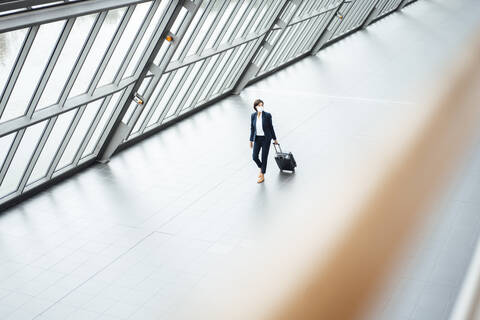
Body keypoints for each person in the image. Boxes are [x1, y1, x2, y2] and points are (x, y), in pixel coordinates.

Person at [249, 99, 278, 183]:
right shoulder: (253, 116)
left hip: (266, 139)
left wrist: (274, 138)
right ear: (255, 107)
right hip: (257, 139)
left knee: (264, 157)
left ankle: (262, 174)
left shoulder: (267, 115)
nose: (261, 107)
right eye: (259, 105)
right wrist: (251, 140)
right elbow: (252, 128)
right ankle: (261, 168)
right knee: (254, 157)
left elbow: (271, 127)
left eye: (262, 105)